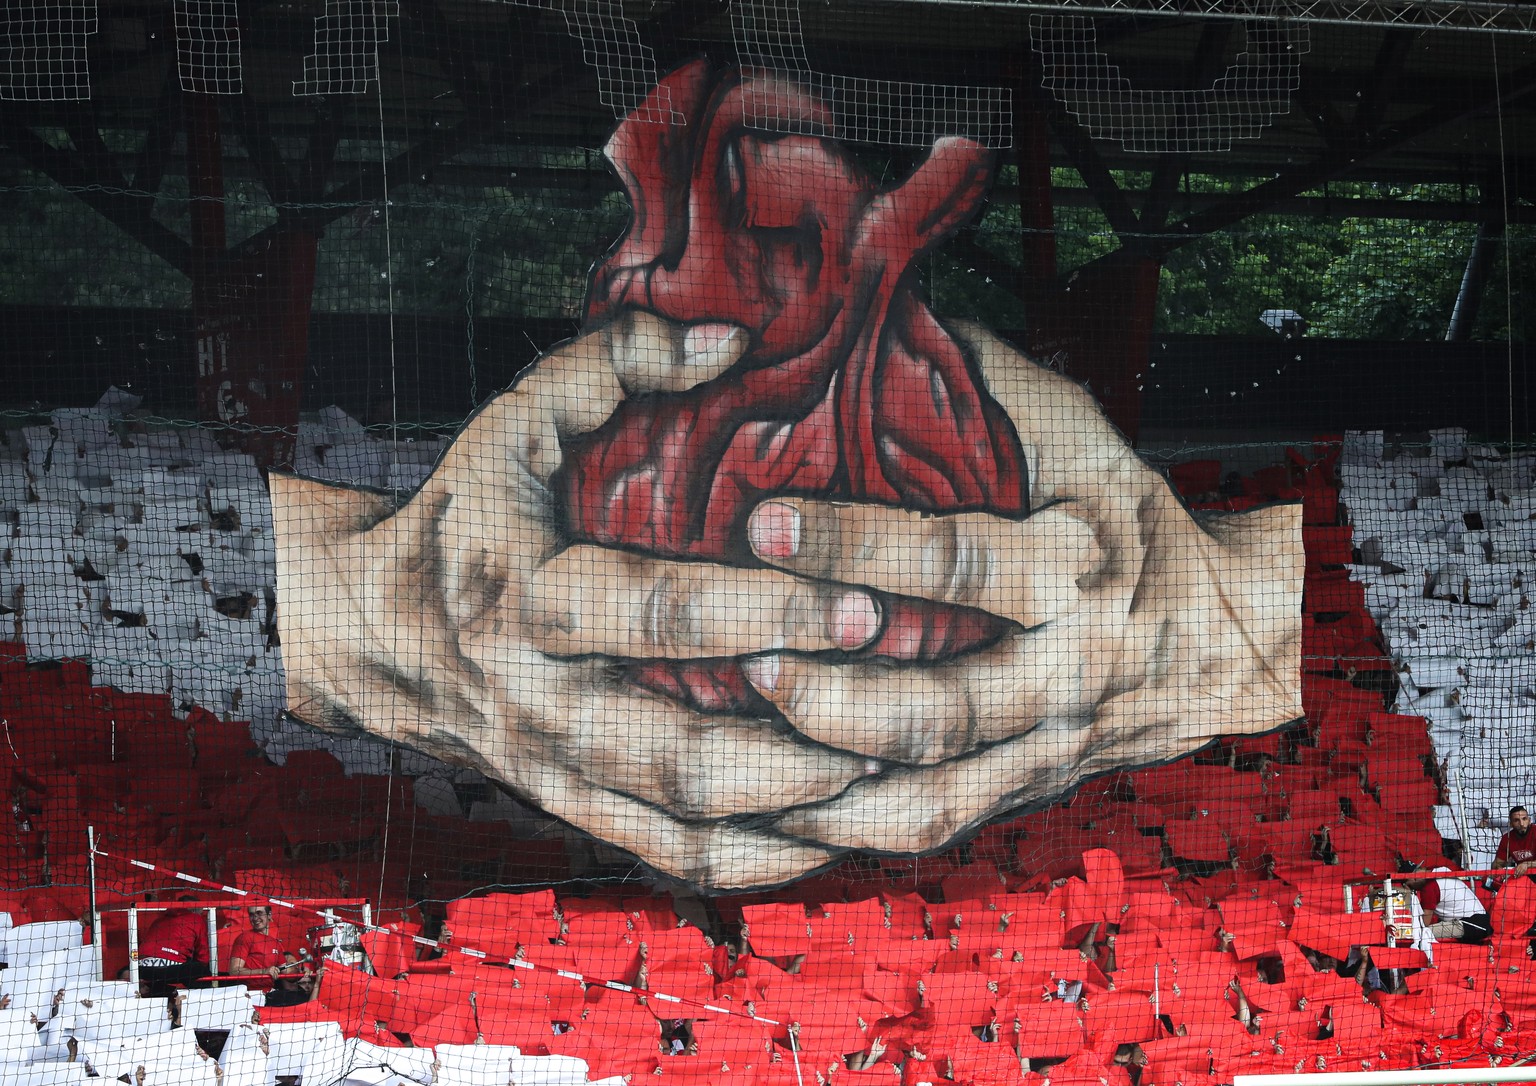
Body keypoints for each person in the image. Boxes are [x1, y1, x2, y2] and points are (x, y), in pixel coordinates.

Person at [227, 904, 314, 1006]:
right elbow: (234, 971)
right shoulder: (245, 938)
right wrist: (264, 971)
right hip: (252, 995)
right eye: (251, 915)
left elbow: (288, 974)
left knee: (303, 996)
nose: (255, 918)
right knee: (299, 1000)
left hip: (269, 993)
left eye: (259, 913)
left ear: (269, 915)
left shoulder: (275, 943)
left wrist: (301, 971)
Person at [137, 895, 210, 997]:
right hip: (169, 968)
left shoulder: (158, 920)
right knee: (201, 971)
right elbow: (203, 957)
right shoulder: (196, 919)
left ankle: (162, 990)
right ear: (196, 910)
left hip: (140, 968)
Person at [1413, 867, 1492, 944]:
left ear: (1414, 877)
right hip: (1480, 923)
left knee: (1420, 933)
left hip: (1472, 925)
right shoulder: (1442, 872)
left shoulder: (1429, 886)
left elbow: (1424, 923)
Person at [1495, 806, 1536, 877]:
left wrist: (1527, 864)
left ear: (1529, 820)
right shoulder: (1507, 838)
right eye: (1516, 820)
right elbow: (1497, 863)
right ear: (1511, 824)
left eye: (1524, 819)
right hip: (1524, 877)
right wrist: (1499, 869)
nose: (1521, 824)